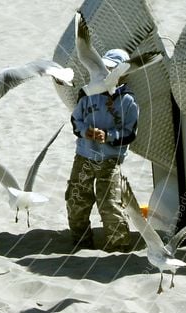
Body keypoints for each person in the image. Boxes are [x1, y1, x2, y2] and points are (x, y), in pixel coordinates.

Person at [65, 49, 138, 252]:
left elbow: (130, 133)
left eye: (113, 69)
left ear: (124, 73)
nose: (107, 72)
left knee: (109, 203)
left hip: (110, 159)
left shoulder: (128, 101)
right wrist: (84, 131)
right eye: (106, 67)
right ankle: (81, 243)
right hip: (84, 156)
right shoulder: (87, 93)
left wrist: (109, 136)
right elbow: (75, 120)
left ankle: (119, 246)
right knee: (76, 198)